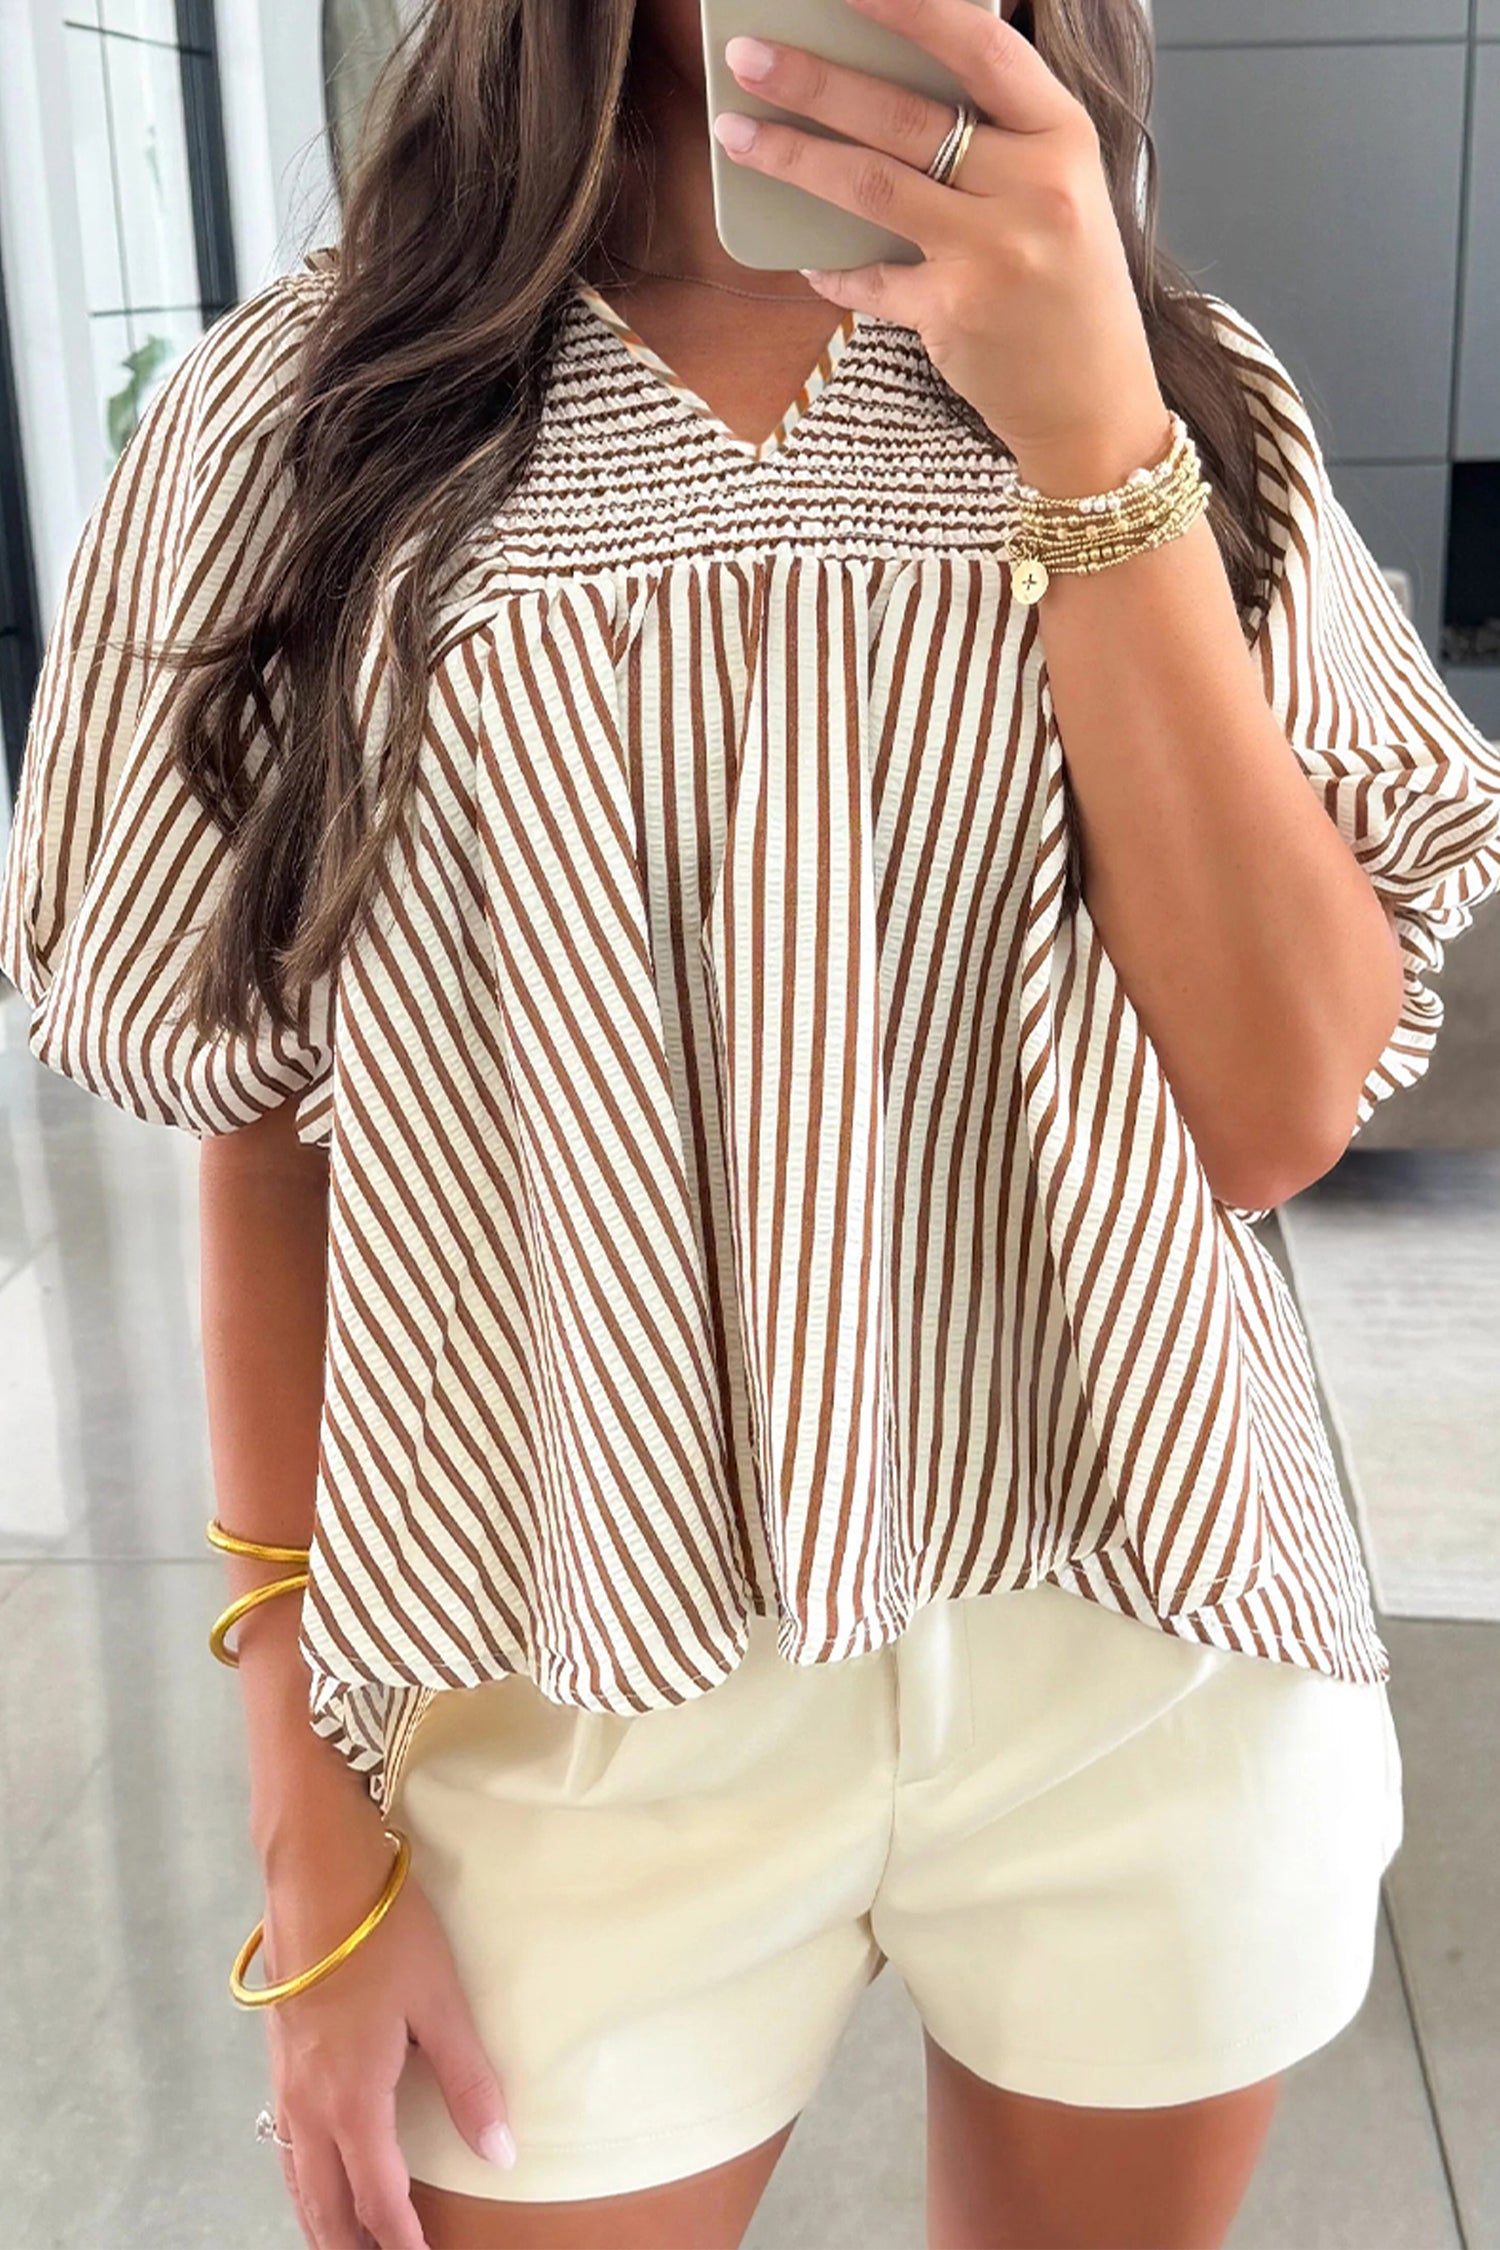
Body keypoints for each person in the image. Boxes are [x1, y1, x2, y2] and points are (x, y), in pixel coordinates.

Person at [4, 0, 1498, 2243]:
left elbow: (1273, 1107)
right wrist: (310, 1824)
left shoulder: (1171, 377)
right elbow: (273, 1121)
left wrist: (1094, 433)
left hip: (1144, 1644)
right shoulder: (305, 414)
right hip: (554, 1654)